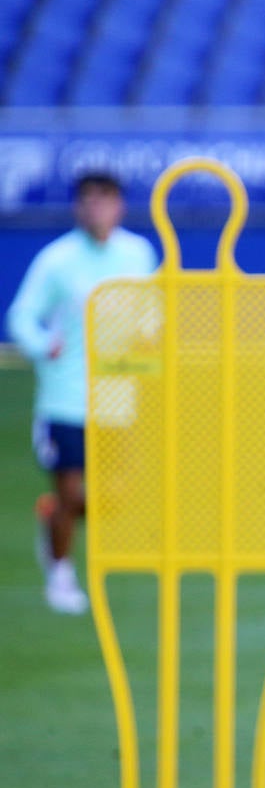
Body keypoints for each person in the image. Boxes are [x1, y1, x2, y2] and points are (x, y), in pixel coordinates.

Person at [6, 171, 157, 614]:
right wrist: (41, 345)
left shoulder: (137, 253)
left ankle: (51, 517)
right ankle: (60, 573)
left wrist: (151, 335)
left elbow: (150, 309)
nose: (97, 209)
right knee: (72, 489)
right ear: (78, 207)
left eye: (106, 200)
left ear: (120, 206)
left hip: (117, 391)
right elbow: (23, 314)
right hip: (66, 395)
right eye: (89, 201)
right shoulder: (58, 260)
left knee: (116, 496)